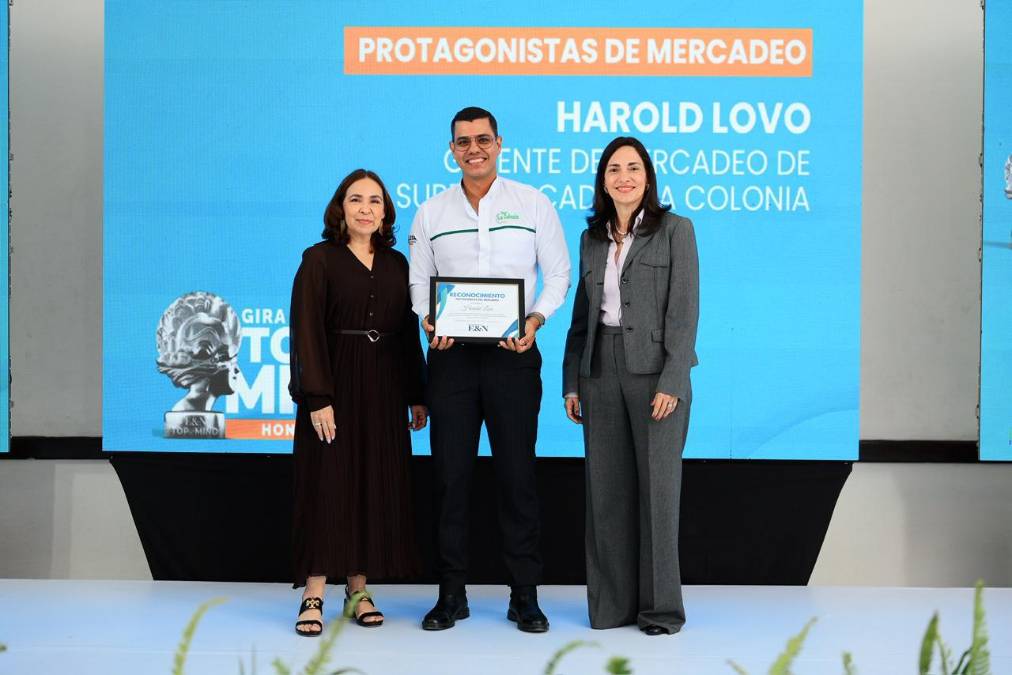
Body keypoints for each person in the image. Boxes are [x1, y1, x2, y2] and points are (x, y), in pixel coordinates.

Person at [408, 106, 571, 632]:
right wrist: (430, 319)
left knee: (517, 478)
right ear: (451, 149)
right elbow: (417, 281)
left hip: (514, 358)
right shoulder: (430, 212)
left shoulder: (533, 203)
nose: (473, 148)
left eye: (482, 139)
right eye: (462, 141)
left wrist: (537, 319)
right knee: (450, 479)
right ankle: (451, 594)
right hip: (451, 359)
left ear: (500, 143)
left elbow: (559, 273)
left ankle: (524, 595)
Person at [562, 137, 699, 636]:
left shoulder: (676, 231)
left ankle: (660, 611)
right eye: (614, 168)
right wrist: (572, 380)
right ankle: (612, 607)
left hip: (655, 373)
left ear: (648, 177)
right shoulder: (592, 239)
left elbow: (684, 313)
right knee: (607, 494)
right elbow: (582, 317)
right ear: (603, 179)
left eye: (633, 168)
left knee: (658, 494)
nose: (624, 176)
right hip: (600, 370)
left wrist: (673, 378)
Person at [288, 169, 428, 636]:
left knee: (371, 484)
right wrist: (317, 397)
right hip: (336, 384)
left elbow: (408, 332)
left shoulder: (396, 265)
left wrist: (417, 394)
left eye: (375, 200)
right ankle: (313, 593)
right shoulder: (319, 260)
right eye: (356, 200)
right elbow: (305, 331)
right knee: (328, 484)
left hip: (385, 386)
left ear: (386, 210)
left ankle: (359, 589)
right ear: (340, 209)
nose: (366, 208)